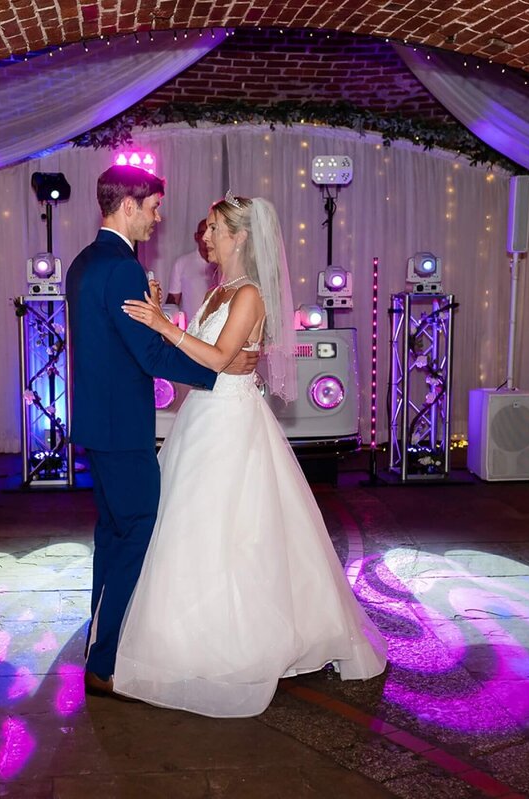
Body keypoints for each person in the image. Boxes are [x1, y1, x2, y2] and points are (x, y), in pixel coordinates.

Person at [116, 192, 388, 717]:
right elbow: (197, 354)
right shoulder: (218, 293)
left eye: (215, 228)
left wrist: (162, 325)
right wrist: (163, 312)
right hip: (201, 418)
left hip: (232, 422)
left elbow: (219, 359)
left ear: (241, 236)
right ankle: (188, 633)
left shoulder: (250, 297)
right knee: (190, 525)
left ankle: (244, 641)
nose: (206, 236)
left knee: (232, 529)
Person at [64, 166, 257, 700]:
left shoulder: (85, 262)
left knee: (112, 534)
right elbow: (145, 352)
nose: (159, 216)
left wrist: (158, 315)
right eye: (152, 206)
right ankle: (105, 665)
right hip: (122, 429)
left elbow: (114, 338)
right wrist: (216, 373)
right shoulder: (121, 268)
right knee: (139, 531)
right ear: (128, 205)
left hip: (95, 424)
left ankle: (100, 637)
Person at [164, 218, 219, 326]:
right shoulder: (182, 263)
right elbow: (173, 301)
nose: (206, 237)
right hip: (191, 330)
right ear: (196, 236)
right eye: (203, 232)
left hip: (218, 328)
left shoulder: (222, 264)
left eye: (211, 231)